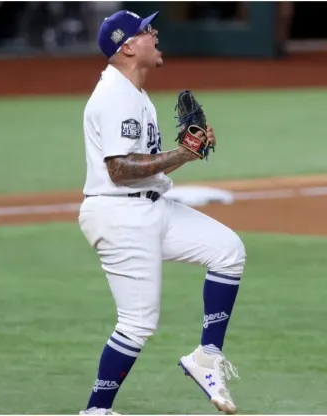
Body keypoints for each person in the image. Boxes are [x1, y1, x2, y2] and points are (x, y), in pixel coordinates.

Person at [77, 9, 246, 416]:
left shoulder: (135, 94)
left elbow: (145, 166)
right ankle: (96, 411)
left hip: (150, 207)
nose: (155, 33)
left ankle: (206, 357)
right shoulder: (115, 95)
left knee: (228, 250)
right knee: (137, 323)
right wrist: (181, 152)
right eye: (146, 30)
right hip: (121, 216)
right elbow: (119, 171)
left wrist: (184, 156)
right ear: (128, 46)